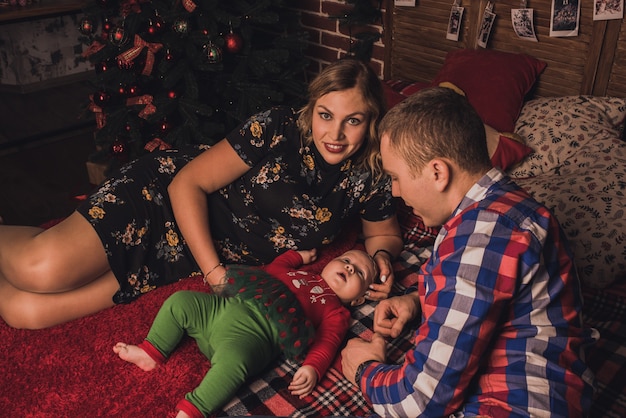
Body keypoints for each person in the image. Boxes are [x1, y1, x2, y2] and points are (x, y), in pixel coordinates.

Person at [0, 58, 403, 329]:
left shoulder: (371, 172)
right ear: (312, 108)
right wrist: (216, 276)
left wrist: (382, 259)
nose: (334, 134)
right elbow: (186, 183)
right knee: (41, 269)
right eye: (325, 115)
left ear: (370, 122)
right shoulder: (277, 127)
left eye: (352, 121)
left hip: (184, 252)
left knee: (27, 312)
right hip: (161, 198)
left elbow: (382, 234)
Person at [340, 87, 599, 417]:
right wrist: (418, 301)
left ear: (437, 172)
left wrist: (365, 369)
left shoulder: (480, 237)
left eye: (396, 177)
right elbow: (496, 290)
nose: (396, 191)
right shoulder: (511, 205)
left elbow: (418, 403)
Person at [114, 247, 377, 418]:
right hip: (223, 308)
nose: (350, 267)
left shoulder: (336, 310)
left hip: (252, 338)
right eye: (346, 259)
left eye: (360, 273)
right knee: (181, 301)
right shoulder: (300, 274)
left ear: (358, 300)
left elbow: (327, 342)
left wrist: (313, 368)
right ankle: (152, 351)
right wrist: (298, 256)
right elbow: (277, 265)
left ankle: (194, 409)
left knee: (234, 363)